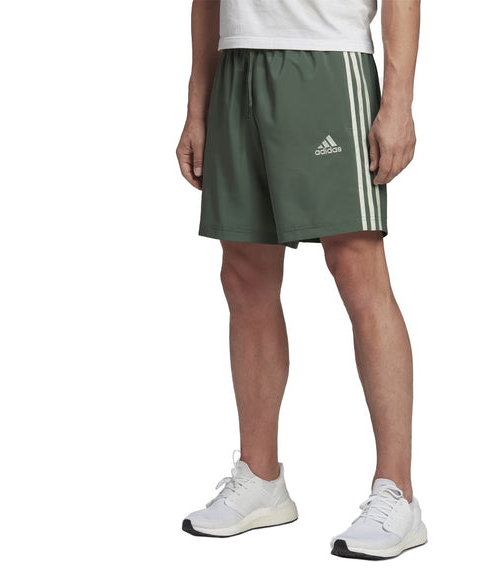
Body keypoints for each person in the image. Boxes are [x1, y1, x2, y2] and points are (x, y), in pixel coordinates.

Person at [176, 0, 426, 560]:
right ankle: (260, 477)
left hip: (328, 61)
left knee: (357, 269)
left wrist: (398, 102)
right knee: (244, 275)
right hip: (236, 63)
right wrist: (197, 106)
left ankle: (398, 493)